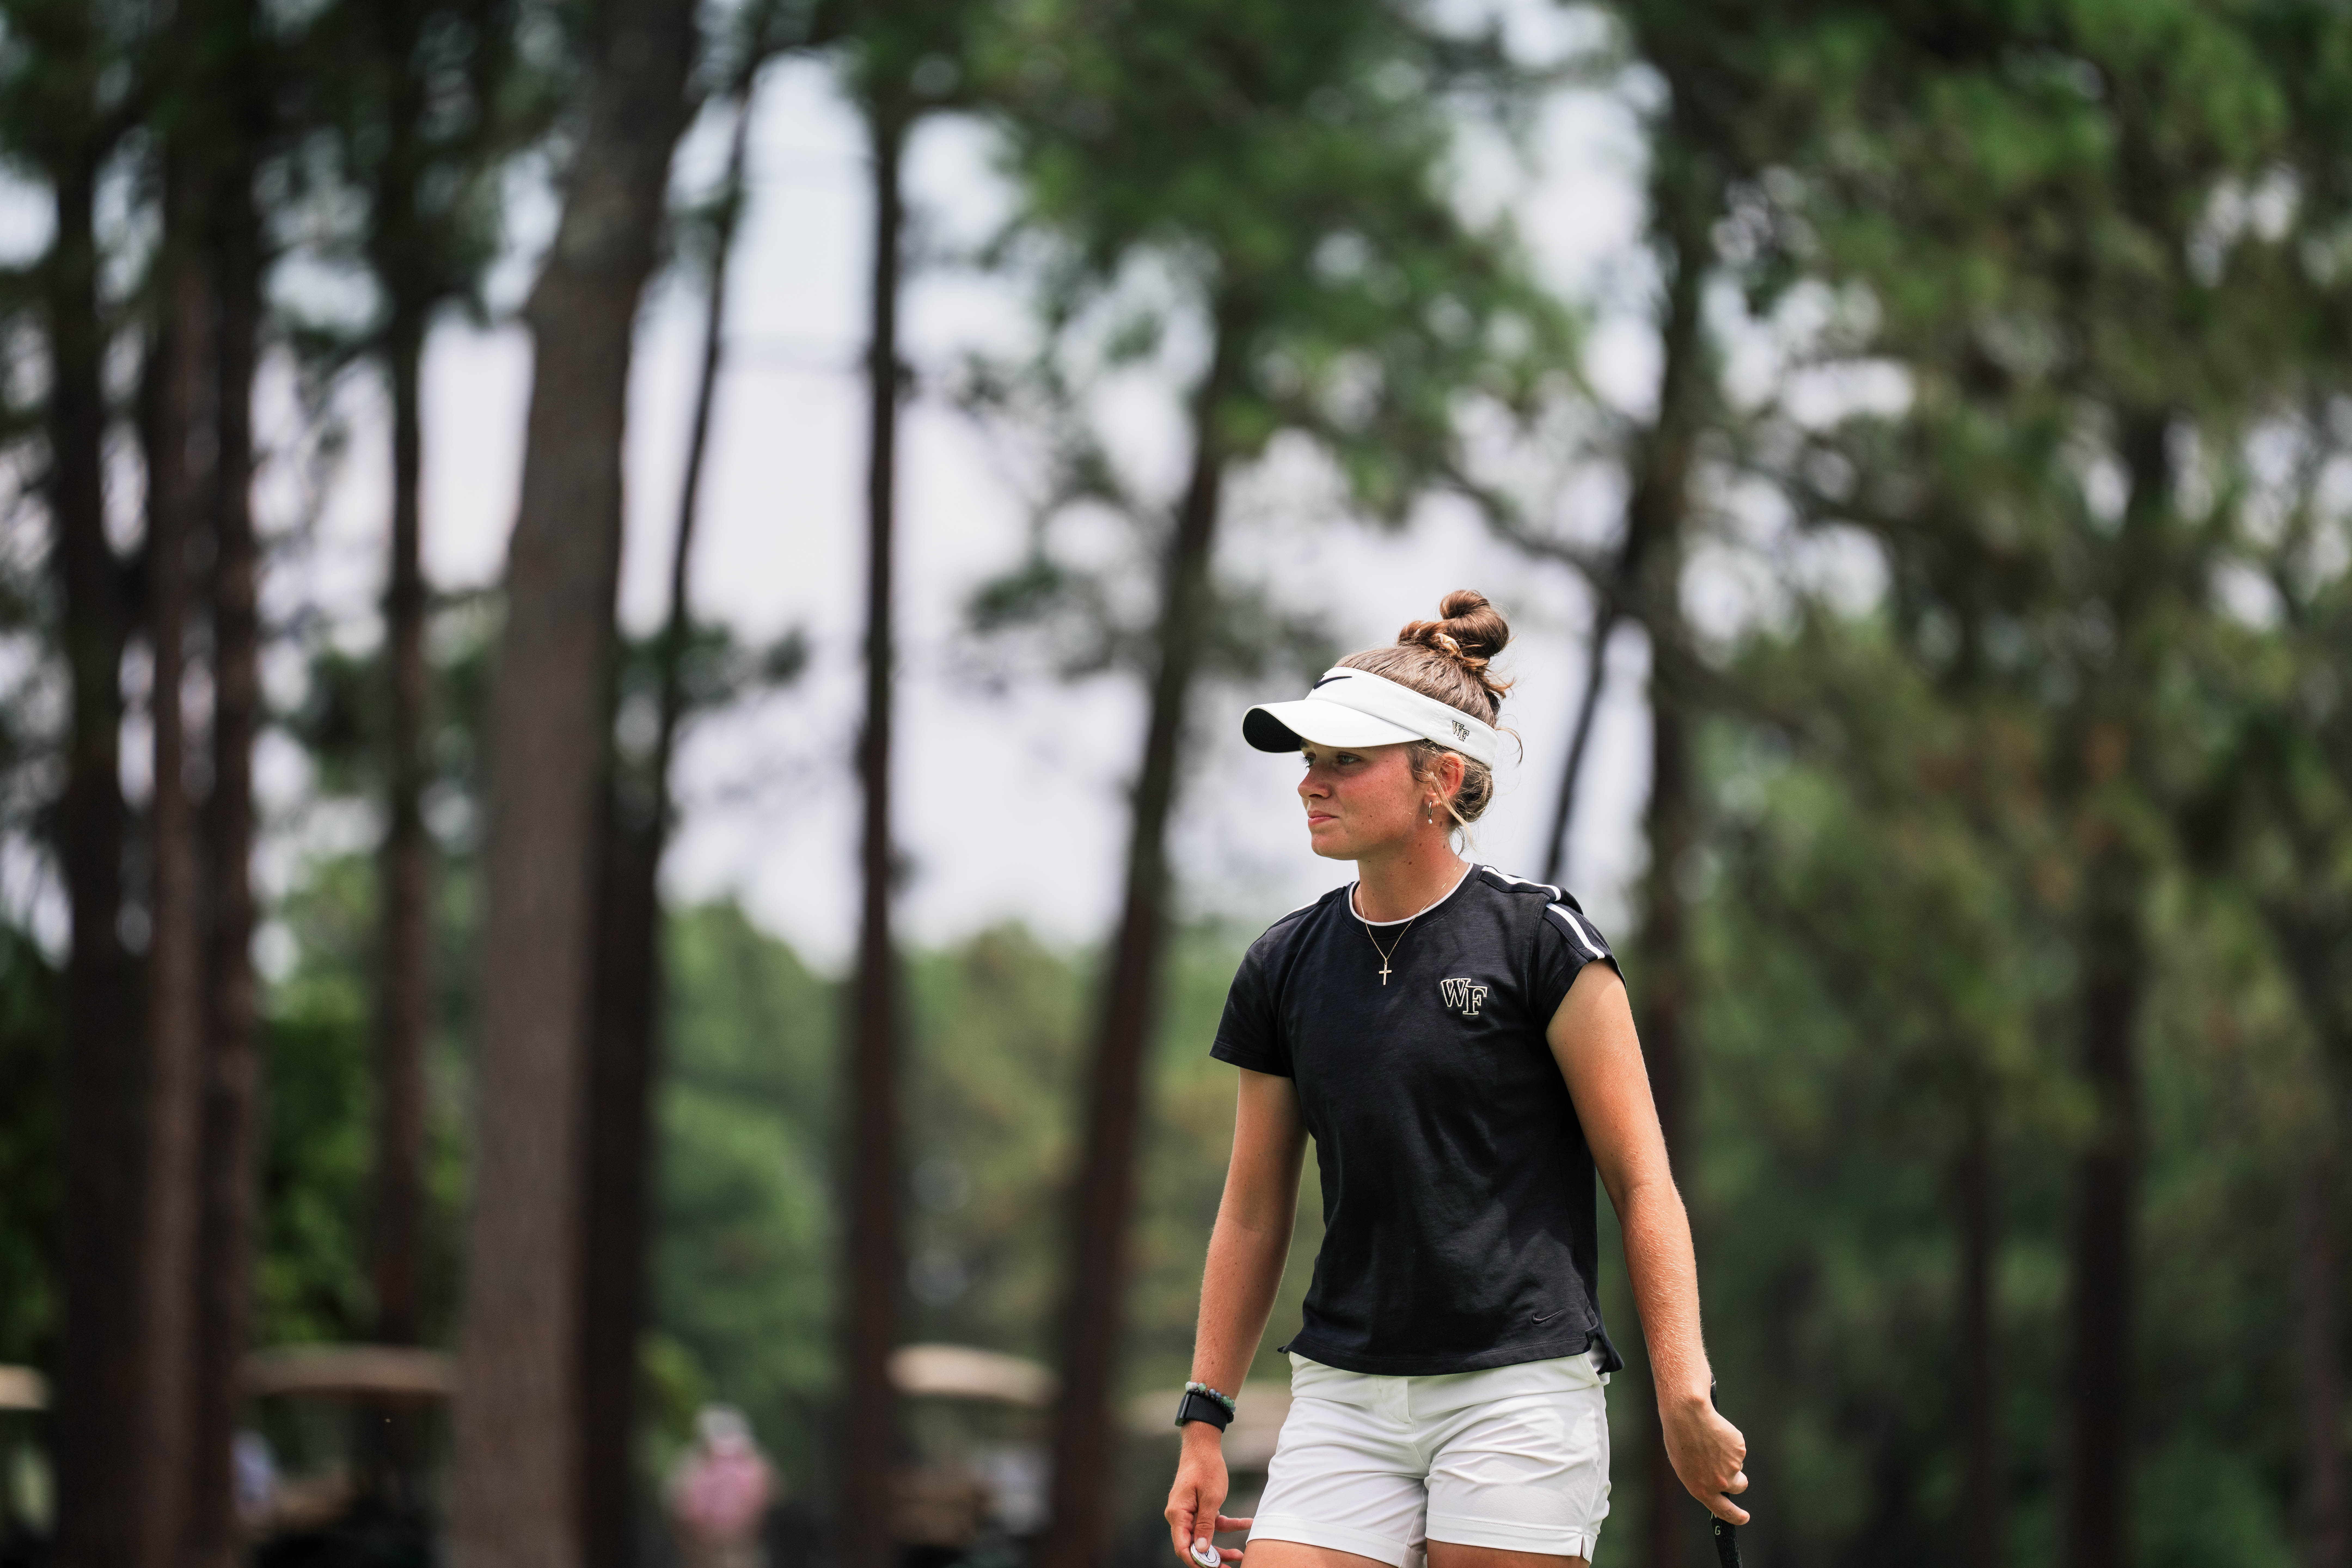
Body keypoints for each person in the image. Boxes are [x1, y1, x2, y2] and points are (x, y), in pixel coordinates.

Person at [1163, 591, 1747, 1568]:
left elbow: (1642, 1180)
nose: (1312, 782)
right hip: (1345, 1395)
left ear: (1438, 777)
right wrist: (1203, 1417)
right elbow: (1254, 1209)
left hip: (1518, 1389)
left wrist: (1683, 1389)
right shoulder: (1282, 965)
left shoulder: (1541, 943)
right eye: (1310, 760)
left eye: (1345, 758)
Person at [667, 1404, 778, 1568]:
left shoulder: (693, 1464)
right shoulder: (755, 1464)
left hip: (718, 1545)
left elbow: (677, 1507)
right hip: (723, 1545)